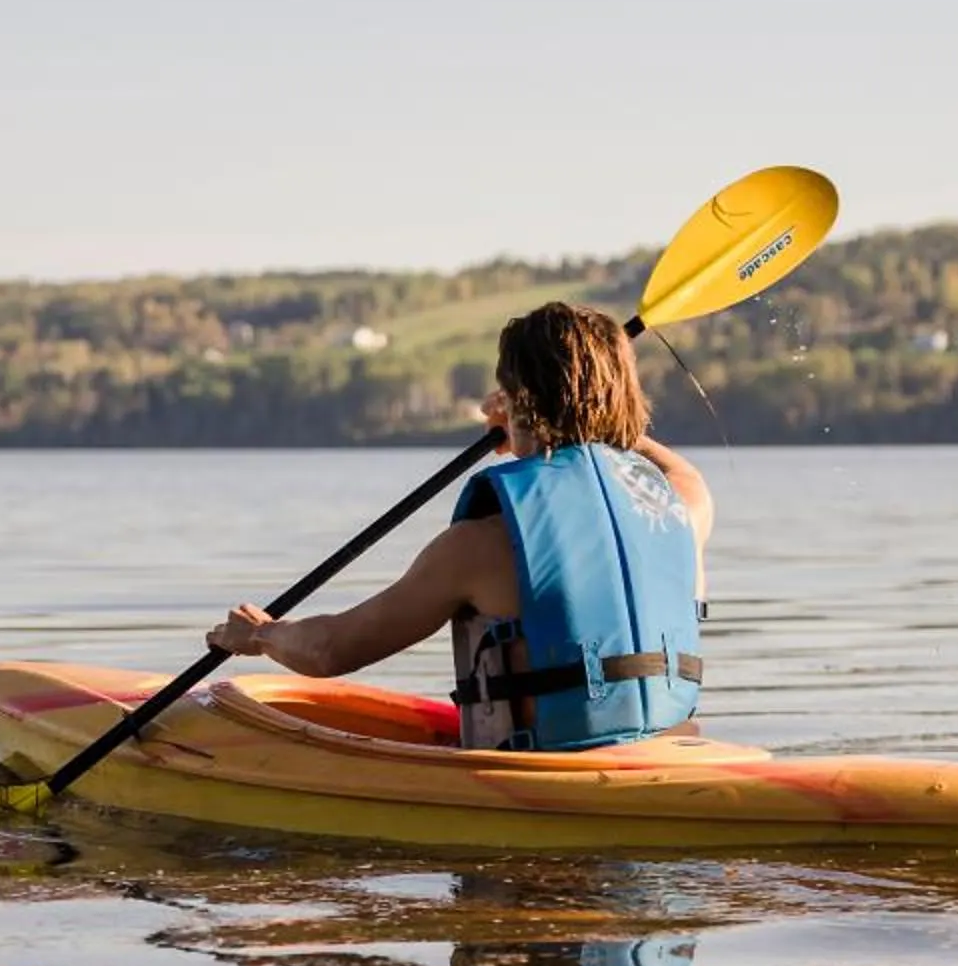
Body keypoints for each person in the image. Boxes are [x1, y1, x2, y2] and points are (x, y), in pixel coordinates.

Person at [206, 301, 714, 750]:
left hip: (549, 779)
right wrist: (585, 420)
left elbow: (331, 649)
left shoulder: (479, 547)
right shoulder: (680, 508)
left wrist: (262, 635)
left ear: (520, 400)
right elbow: (675, 468)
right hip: (670, 754)